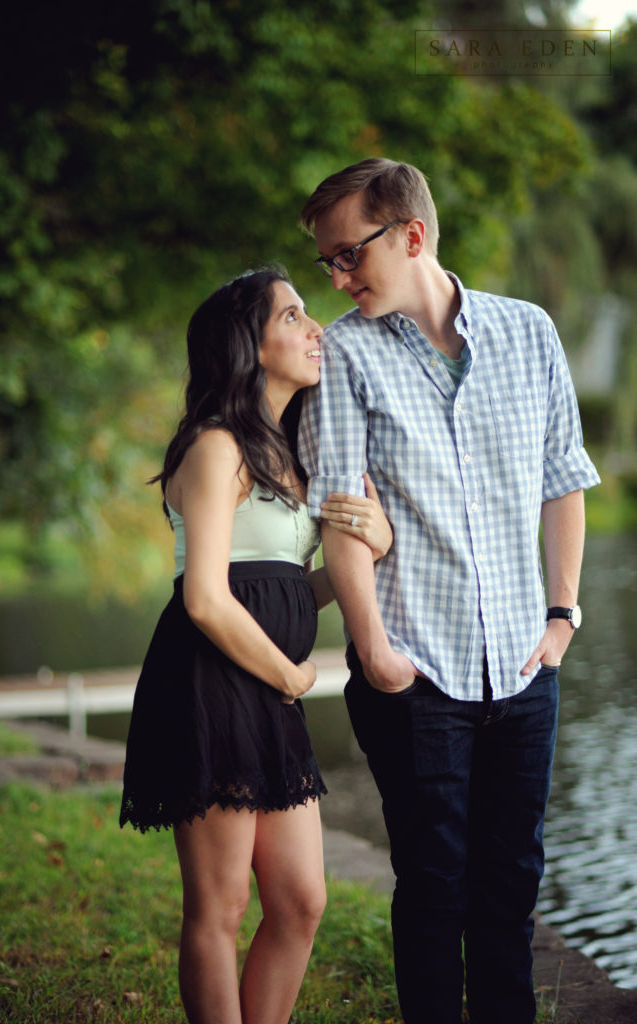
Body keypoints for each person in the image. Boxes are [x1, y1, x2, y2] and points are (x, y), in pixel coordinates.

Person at [297, 158, 601, 1024]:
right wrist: (376, 652)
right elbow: (342, 516)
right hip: (414, 674)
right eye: (328, 264)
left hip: (522, 667)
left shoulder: (528, 331)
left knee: (510, 888)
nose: (340, 277)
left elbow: (563, 480)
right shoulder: (346, 353)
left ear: (413, 234)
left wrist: (562, 613)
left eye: (349, 255)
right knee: (433, 889)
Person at [119, 266, 393, 1024]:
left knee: (302, 901)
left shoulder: (284, 452)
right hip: (210, 684)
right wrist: (291, 674)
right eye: (295, 317)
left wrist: (362, 554)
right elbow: (206, 597)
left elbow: (281, 590)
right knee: (221, 904)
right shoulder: (214, 447)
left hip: (268, 689)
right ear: (249, 343)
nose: (317, 330)